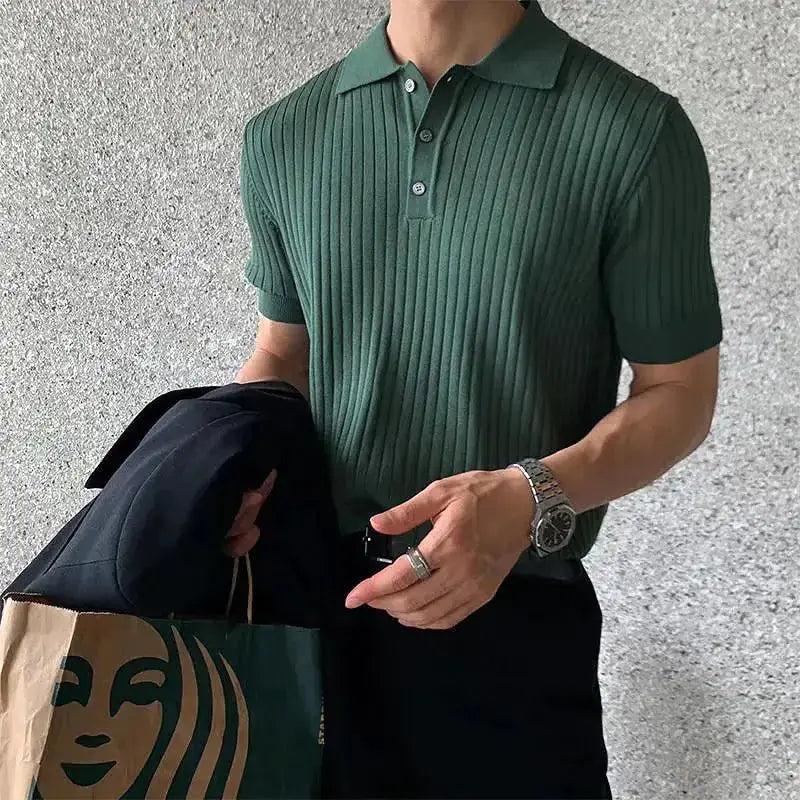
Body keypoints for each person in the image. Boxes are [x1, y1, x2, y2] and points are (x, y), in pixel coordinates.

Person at [230, 0, 723, 797]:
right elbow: (287, 353)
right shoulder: (283, 136)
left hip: (514, 633)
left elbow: (680, 393)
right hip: (308, 623)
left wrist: (531, 496)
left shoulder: (633, 132)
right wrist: (228, 471)